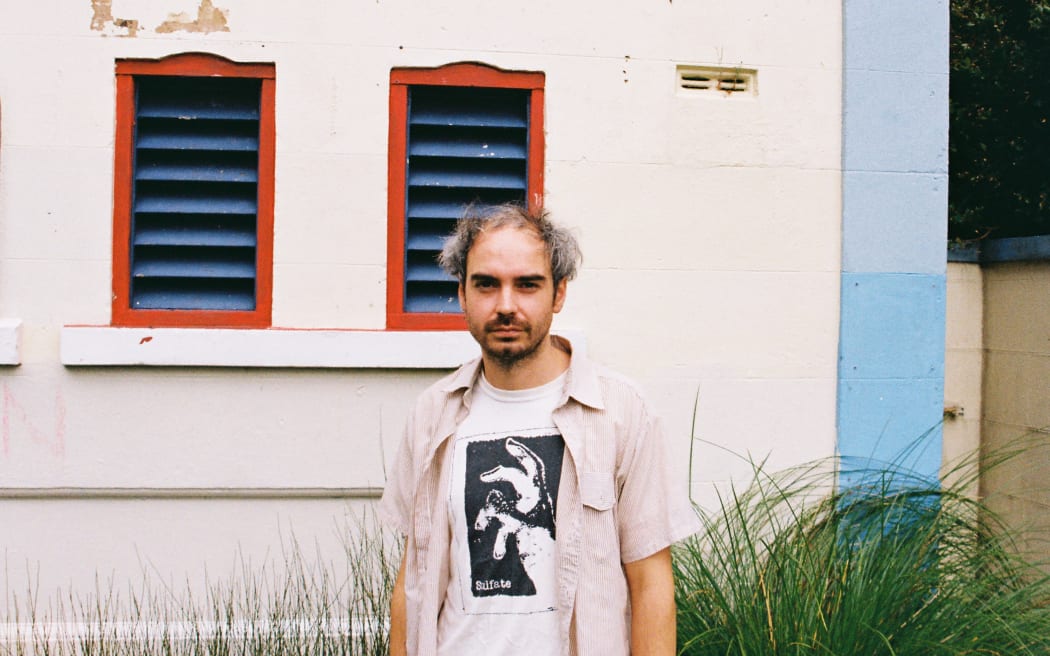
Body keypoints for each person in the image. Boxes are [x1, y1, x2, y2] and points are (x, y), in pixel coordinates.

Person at [380, 204, 699, 656]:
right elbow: (412, 581)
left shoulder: (622, 412)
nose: (506, 305)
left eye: (527, 285)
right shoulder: (432, 414)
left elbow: (651, 587)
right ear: (463, 294)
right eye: (487, 284)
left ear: (559, 294)